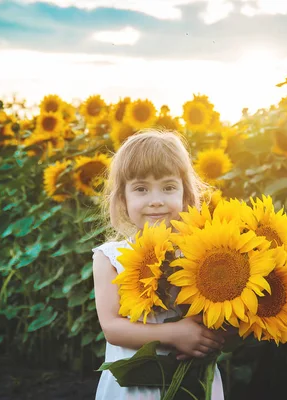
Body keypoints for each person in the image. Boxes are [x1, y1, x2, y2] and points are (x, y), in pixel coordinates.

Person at [92, 129, 226, 399]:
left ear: (186, 197)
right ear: (123, 199)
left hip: (194, 383)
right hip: (135, 388)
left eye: (168, 187)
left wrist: (215, 338)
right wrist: (174, 334)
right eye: (141, 189)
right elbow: (112, 328)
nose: (156, 200)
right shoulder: (110, 257)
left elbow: (222, 315)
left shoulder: (200, 254)